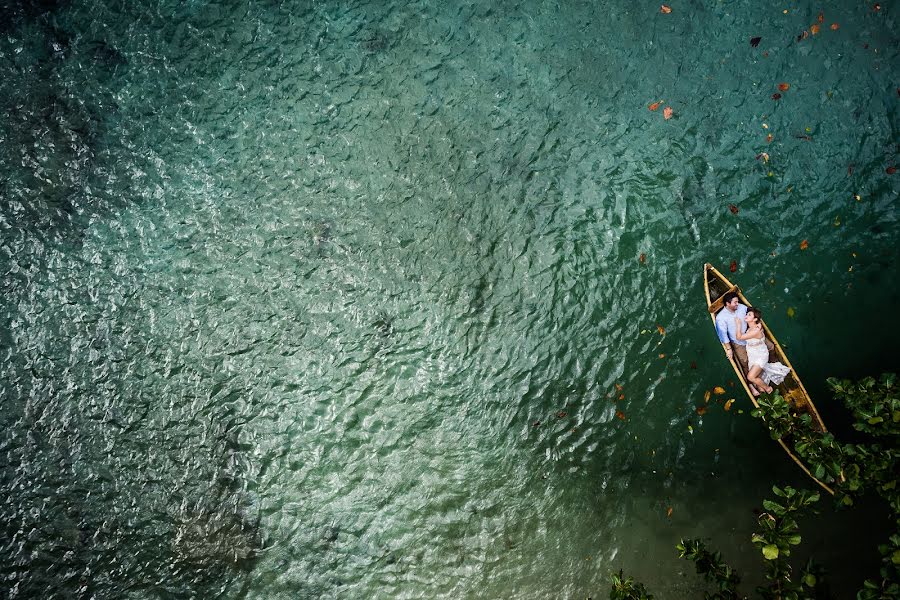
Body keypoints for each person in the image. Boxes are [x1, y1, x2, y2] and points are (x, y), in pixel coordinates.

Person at [734, 307, 791, 395]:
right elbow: (758, 325)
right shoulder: (753, 327)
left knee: (750, 377)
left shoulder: (756, 330)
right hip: (753, 354)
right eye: (747, 314)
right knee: (758, 383)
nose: (746, 316)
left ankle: (768, 388)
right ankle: (758, 387)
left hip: (760, 356)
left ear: (755, 319)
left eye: (749, 315)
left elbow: (739, 337)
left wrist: (738, 325)